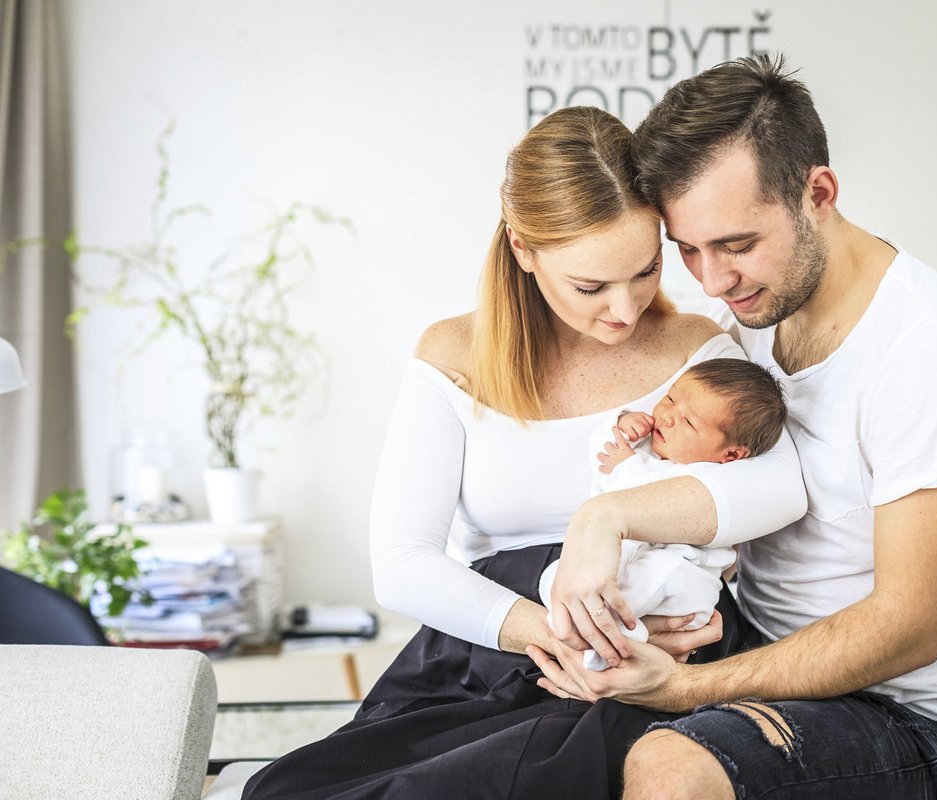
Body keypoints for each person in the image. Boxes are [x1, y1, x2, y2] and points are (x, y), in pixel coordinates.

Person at [242, 105, 806, 799]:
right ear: (523, 250)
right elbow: (401, 564)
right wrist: (558, 631)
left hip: (643, 658)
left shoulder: (700, 354)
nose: (625, 311)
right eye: (590, 287)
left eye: (643, 270)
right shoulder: (453, 356)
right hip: (493, 647)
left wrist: (605, 523)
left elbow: (780, 488)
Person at [530, 54, 937, 800]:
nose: (712, 280)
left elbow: (909, 628)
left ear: (818, 193)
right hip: (767, 663)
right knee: (527, 736)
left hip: (928, 722)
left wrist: (679, 689)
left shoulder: (930, 349)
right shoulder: (755, 318)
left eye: (734, 244)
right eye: (687, 250)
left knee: (670, 771)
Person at [538, 358, 787, 670]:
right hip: (621, 560)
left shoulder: (707, 475)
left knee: (657, 578)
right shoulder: (646, 444)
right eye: (670, 398)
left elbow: (642, 493)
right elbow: (602, 456)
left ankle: (609, 642)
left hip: (681, 582)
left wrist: (626, 465)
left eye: (689, 422)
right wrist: (623, 423)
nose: (667, 417)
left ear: (732, 454)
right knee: (552, 578)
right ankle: (603, 630)